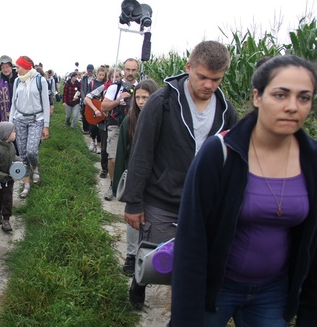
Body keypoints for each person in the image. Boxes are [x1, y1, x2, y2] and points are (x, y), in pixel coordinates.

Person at [171, 55, 317, 327]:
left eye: (304, 97)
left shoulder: (311, 160)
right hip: (217, 287)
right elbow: (191, 240)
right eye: (280, 94)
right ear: (257, 97)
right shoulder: (221, 152)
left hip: (273, 292)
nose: (292, 107)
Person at [120, 41, 238, 309]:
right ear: (188, 67)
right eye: (202, 77)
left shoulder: (226, 112)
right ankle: (139, 283)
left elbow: (233, 160)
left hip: (203, 204)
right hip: (162, 199)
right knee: (155, 258)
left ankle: (180, 313)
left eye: (216, 79)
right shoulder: (162, 103)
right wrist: (134, 202)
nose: (208, 85)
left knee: (190, 266)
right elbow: (141, 154)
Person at [111, 79, 158, 276]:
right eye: (137, 97)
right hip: (134, 174)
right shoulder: (129, 120)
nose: (140, 101)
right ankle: (131, 255)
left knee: (152, 217)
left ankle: (149, 255)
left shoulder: (161, 118)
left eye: (145, 97)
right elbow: (121, 152)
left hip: (156, 177)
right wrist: (119, 184)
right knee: (134, 215)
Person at [9, 56, 50, 198]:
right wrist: (11, 124)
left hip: (36, 119)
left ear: (26, 66)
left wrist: (46, 125)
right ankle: (26, 185)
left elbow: (45, 103)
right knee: (22, 154)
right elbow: (14, 103)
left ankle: (35, 167)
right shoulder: (16, 81)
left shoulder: (40, 80)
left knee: (31, 150)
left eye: (18, 67)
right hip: (19, 120)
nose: (16, 69)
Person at [101, 58, 140, 201]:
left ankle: (129, 188)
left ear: (137, 70)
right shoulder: (114, 87)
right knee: (113, 159)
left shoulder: (141, 88)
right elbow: (103, 107)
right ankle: (113, 184)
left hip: (135, 127)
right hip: (116, 125)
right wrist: (118, 100)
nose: (130, 73)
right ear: (124, 70)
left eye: (133, 70)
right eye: (128, 69)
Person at [85, 66, 108, 154]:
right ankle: (92, 140)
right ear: (97, 74)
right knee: (92, 125)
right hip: (92, 105)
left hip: (101, 105)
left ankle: (98, 144)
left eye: (103, 75)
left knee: (100, 126)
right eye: (100, 75)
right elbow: (88, 94)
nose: (101, 76)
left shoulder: (105, 84)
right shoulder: (92, 83)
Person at [0, 55, 18, 122]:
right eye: (3, 68)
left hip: (17, 113)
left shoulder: (18, 79)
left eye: (7, 67)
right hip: (2, 114)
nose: (5, 70)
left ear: (11, 67)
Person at [80, 64, 96, 133]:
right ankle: (85, 128)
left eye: (91, 71)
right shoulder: (84, 78)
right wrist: (84, 98)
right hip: (86, 98)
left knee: (92, 113)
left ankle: (91, 129)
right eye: (89, 71)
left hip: (94, 98)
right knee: (85, 113)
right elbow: (82, 89)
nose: (90, 72)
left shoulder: (95, 78)